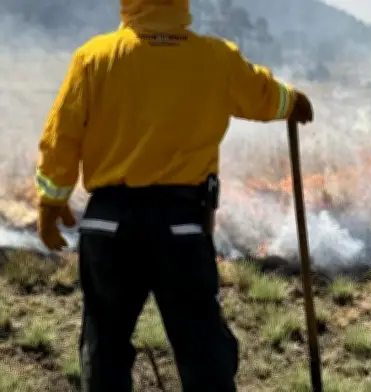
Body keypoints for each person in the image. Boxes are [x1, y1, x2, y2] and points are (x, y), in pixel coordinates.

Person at [34, 0, 313, 391]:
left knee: (105, 349)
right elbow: (263, 95)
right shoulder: (215, 58)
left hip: (109, 225)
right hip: (181, 226)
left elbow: (61, 136)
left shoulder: (94, 58)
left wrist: (51, 201)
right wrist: (292, 100)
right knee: (203, 353)